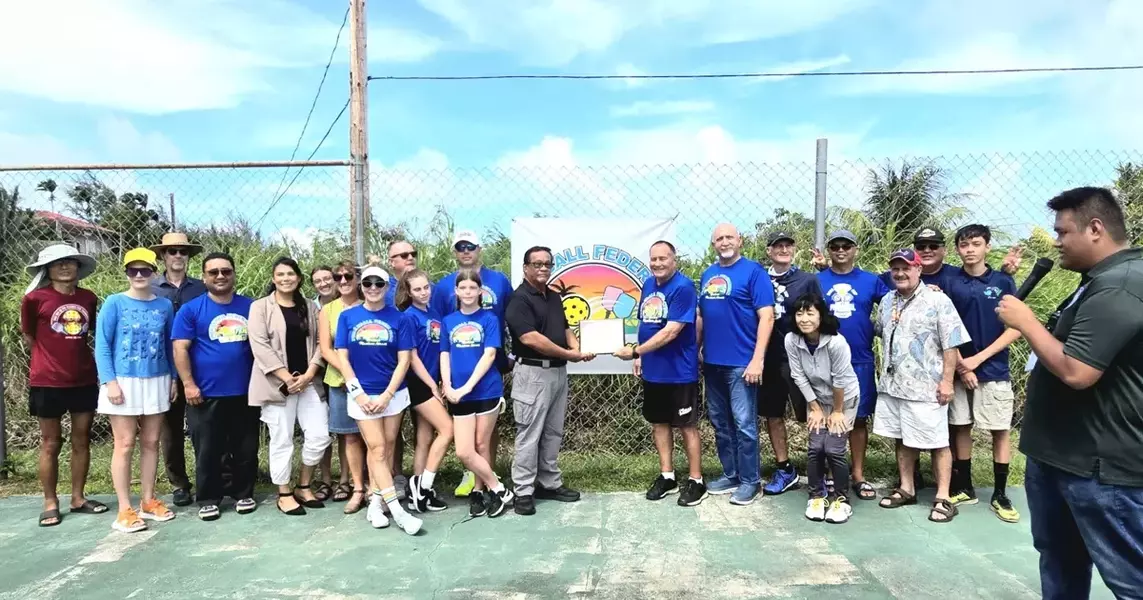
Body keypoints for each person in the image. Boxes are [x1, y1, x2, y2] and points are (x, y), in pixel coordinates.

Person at [996, 186, 1143, 598]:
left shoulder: (1121, 284)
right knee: (1061, 561)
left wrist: (1026, 322)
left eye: (1063, 232)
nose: (1057, 241)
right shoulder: (1097, 280)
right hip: (1062, 458)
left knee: (1131, 578)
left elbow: (1078, 371)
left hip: (1099, 469)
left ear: (1095, 228)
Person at [873, 249, 969, 524]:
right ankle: (907, 487)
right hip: (894, 385)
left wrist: (948, 381)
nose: (900, 273)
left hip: (927, 387)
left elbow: (950, 343)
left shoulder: (938, 300)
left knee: (938, 442)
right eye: (896, 269)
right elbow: (881, 331)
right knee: (902, 438)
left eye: (906, 268)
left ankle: (943, 497)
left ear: (919, 270)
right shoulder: (888, 300)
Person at [21, 244, 107, 527]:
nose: (66, 267)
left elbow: (89, 332)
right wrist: (48, 362)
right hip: (47, 381)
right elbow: (30, 336)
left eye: (70, 262)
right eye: (58, 263)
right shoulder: (34, 299)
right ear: (48, 269)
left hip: (83, 378)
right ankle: (50, 501)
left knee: (81, 440)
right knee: (50, 442)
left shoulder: (88, 298)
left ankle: (78, 498)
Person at [615, 241, 706, 506]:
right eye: (653, 259)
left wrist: (634, 351)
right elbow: (645, 323)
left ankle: (696, 480)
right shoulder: (648, 284)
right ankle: (667, 476)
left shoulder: (683, 287)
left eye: (663, 259)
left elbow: (672, 330)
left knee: (686, 426)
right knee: (659, 423)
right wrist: (642, 355)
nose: (657, 264)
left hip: (679, 372)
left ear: (674, 260)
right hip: (654, 371)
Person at [171, 252, 260, 521]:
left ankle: (243, 493)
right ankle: (209, 497)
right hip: (205, 394)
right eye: (214, 272)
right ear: (204, 276)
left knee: (246, 448)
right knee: (208, 449)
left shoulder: (251, 307)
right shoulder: (191, 309)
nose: (220, 276)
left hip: (246, 392)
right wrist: (188, 384)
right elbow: (180, 348)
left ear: (233, 274)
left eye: (226, 271)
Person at [335, 264, 423, 534]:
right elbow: (342, 357)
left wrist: (387, 395)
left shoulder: (401, 319)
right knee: (377, 450)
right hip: (362, 396)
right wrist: (358, 393)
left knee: (385, 447)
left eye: (379, 284)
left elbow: (404, 359)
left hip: (393, 395)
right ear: (361, 287)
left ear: (387, 288)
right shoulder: (347, 317)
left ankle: (374, 503)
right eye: (368, 283)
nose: (373, 288)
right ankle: (397, 511)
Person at [95, 248, 178, 533]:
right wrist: (110, 382)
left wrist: (174, 379)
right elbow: (103, 345)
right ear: (127, 273)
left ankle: (147, 500)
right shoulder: (114, 303)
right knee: (125, 443)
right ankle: (123, 509)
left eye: (145, 270)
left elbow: (170, 345)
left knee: (151, 442)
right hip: (123, 380)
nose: (140, 275)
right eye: (133, 270)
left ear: (155, 273)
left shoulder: (164, 306)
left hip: (157, 378)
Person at [943, 224, 1022, 522]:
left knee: (999, 430)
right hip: (959, 369)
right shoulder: (951, 283)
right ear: (958, 249)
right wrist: (963, 364)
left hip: (994, 369)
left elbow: (1016, 328)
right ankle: (965, 487)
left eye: (976, 243)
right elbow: (945, 327)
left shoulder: (1003, 281)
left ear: (987, 246)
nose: (970, 249)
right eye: (964, 245)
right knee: (960, 426)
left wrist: (977, 360)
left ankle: (1000, 494)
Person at [505, 247, 592, 515]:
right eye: (537, 264)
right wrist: (570, 354)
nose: (543, 268)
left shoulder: (553, 297)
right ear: (525, 268)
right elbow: (531, 338)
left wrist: (575, 350)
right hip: (532, 373)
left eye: (547, 264)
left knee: (553, 432)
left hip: (557, 373)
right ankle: (523, 490)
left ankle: (548, 482)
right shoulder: (519, 299)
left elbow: (566, 329)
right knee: (529, 433)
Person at [431, 230, 514, 499]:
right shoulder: (443, 287)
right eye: (460, 247)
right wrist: (445, 381)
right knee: (466, 441)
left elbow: (511, 318)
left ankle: (485, 483)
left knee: (486, 433)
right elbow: (441, 335)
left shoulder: (499, 281)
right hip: (457, 373)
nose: (465, 250)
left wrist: (512, 356)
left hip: (490, 369)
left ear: (479, 248)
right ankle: (476, 475)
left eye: (470, 246)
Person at [697, 223, 775, 505]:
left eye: (729, 237)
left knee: (744, 424)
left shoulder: (754, 272)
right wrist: (697, 351)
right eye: (719, 238)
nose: (724, 242)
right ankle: (731, 474)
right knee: (721, 423)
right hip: (713, 364)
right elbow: (703, 317)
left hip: (742, 364)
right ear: (713, 244)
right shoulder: (708, 274)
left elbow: (767, 317)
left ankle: (750, 481)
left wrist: (757, 359)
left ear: (739, 241)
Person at [248, 257, 330, 516]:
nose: (285, 278)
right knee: (282, 439)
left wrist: (309, 374)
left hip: (308, 382)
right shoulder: (260, 308)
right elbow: (259, 345)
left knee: (319, 435)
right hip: (277, 385)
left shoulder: (310, 307)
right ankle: (284, 492)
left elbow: (321, 343)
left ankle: (303, 485)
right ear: (273, 279)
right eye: (280, 274)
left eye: (290, 274)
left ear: (298, 278)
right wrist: (287, 378)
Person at [813, 230, 890, 501]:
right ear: (830, 251)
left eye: (846, 246)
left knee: (857, 420)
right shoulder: (817, 280)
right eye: (835, 247)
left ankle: (857, 474)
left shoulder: (872, 281)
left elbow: (900, 298)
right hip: (824, 360)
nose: (841, 251)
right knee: (824, 419)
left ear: (855, 249)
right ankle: (828, 474)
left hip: (860, 360)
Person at [442, 268, 516, 518]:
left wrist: (467, 387)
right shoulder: (449, 321)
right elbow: (444, 354)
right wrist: (448, 385)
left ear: (480, 291)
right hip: (458, 393)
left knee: (482, 444)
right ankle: (500, 490)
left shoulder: (489, 320)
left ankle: (480, 491)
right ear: (456, 291)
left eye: (472, 288)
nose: (468, 292)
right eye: (463, 288)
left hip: (486, 390)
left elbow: (490, 355)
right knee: (464, 450)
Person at [784, 293, 859, 524]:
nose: (804, 319)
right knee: (816, 447)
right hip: (816, 399)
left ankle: (842, 500)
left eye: (810, 313)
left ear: (821, 315)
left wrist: (836, 411)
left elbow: (840, 380)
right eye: (799, 313)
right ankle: (817, 495)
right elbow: (797, 375)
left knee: (834, 448)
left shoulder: (836, 342)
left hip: (843, 399)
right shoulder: (791, 340)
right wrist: (815, 408)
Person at [760, 231, 821, 496]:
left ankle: (820, 468)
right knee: (773, 415)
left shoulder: (808, 279)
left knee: (812, 414)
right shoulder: (759, 278)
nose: (783, 249)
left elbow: (820, 314)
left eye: (788, 245)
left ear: (794, 249)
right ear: (769, 251)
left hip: (801, 356)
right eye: (777, 246)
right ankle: (785, 469)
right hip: (769, 357)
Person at [150, 232, 207, 508]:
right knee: (169, 430)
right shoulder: (150, 287)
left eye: (182, 252)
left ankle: (209, 478)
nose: (177, 256)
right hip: (162, 368)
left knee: (202, 427)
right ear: (163, 255)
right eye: (172, 251)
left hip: (198, 367)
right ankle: (179, 484)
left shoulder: (201, 287)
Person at [396, 268, 453, 513]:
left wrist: (441, 379)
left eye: (426, 287)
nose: (423, 292)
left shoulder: (433, 312)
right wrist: (432, 384)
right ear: (408, 292)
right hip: (420, 383)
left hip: (435, 380)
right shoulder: (408, 317)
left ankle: (417, 490)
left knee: (425, 438)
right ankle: (424, 485)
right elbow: (412, 356)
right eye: (417, 289)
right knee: (448, 430)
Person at [317, 261, 368, 514]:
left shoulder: (371, 302)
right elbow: (325, 348)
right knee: (349, 435)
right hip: (339, 381)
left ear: (358, 278)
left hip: (372, 381)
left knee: (375, 438)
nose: (343, 281)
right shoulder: (328, 310)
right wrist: (350, 376)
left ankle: (377, 486)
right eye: (338, 277)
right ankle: (357, 488)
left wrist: (361, 377)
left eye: (349, 276)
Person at [309, 264, 338, 504]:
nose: (324, 283)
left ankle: (349, 479)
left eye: (327, 278)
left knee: (349, 432)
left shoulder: (348, 302)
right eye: (318, 281)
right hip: (318, 374)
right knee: (324, 429)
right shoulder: (311, 307)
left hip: (344, 374)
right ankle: (326, 478)